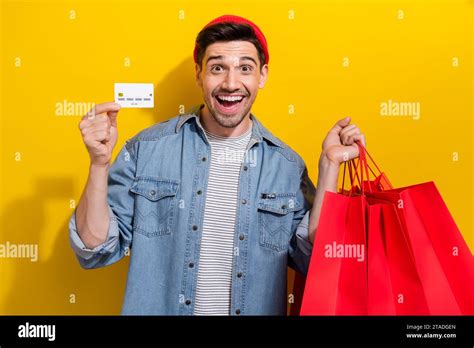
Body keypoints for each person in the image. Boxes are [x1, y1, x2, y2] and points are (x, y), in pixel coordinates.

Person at [69, 14, 366, 315]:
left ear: (262, 75)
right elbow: (94, 249)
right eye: (217, 68)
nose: (231, 83)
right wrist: (98, 164)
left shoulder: (286, 166)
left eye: (245, 68)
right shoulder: (146, 149)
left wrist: (329, 167)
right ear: (199, 74)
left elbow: (316, 259)